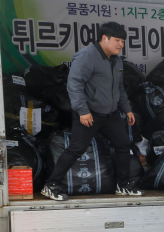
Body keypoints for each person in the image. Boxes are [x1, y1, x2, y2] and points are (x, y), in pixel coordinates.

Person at [42, 21, 143, 201]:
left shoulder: (117, 59)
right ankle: (51, 185)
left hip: (110, 114)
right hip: (89, 114)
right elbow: (74, 85)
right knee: (76, 149)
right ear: (104, 38)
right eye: (117, 40)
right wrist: (82, 111)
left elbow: (119, 88)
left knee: (123, 144)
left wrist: (127, 110)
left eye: (123, 41)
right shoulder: (86, 56)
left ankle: (123, 185)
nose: (121, 44)